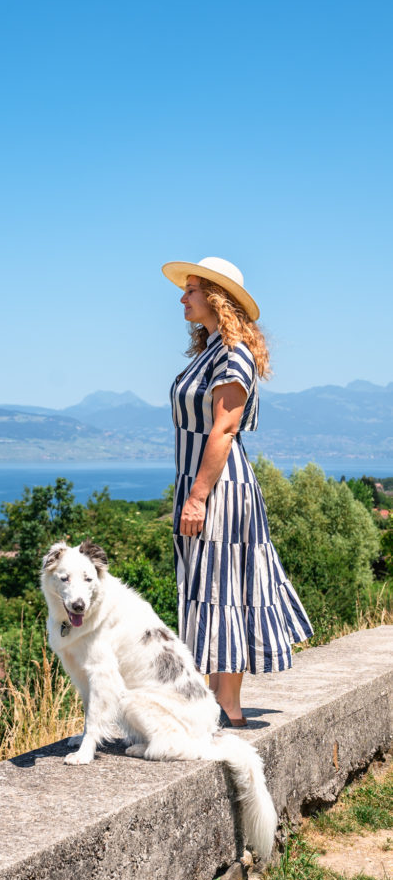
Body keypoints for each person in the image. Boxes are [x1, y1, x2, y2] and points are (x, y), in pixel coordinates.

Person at [161, 256, 313, 726]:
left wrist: (197, 496)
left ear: (215, 297)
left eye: (191, 290)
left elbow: (224, 430)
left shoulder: (233, 354)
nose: (182, 297)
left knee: (222, 588)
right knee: (207, 588)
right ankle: (213, 700)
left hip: (219, 487)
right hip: (201, 481)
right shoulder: (210, 351)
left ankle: (226, 705)